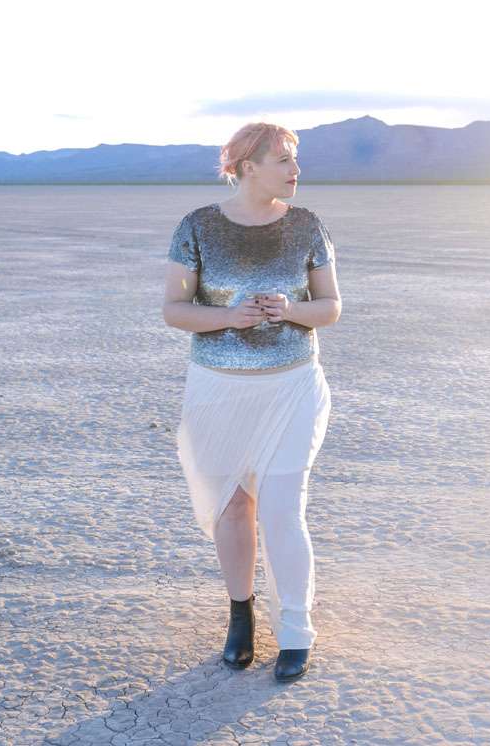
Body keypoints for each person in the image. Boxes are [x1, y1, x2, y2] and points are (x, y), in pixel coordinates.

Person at [163, 122, 341, 682]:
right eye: (284, 160)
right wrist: (227, 318)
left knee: (283, 508)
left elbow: (330, 307)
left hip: (292, 387)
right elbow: (174, 309)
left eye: (295, 159)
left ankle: (296, 630)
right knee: (234, 507)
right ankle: (240, 616)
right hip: (219, 391)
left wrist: (290, 309)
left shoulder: (307, 225)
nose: (295, 170)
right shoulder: (197, 227)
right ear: (246, 167)